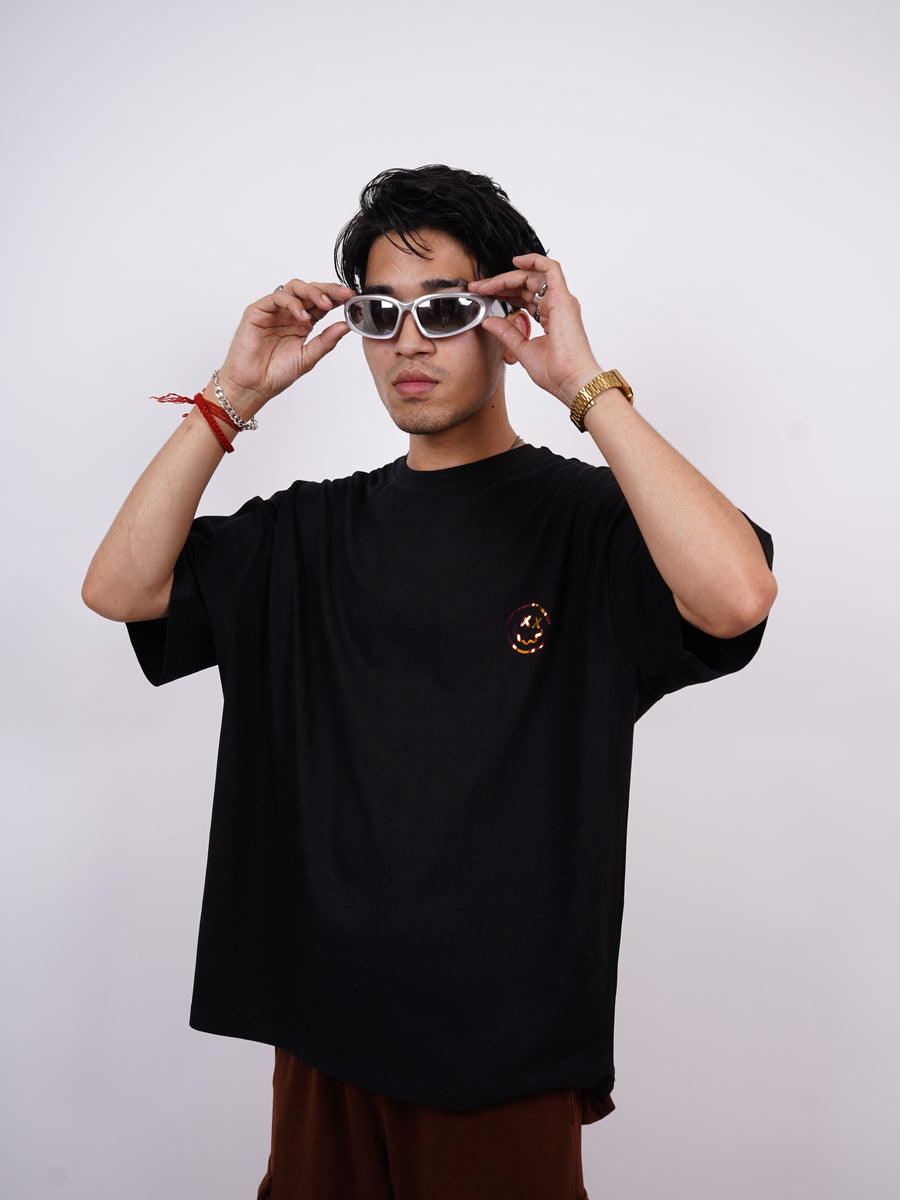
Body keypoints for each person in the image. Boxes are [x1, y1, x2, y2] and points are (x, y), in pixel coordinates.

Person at [82, 165, 777, 1200]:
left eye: (445, 309)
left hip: (502, 1050)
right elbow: (120, 588)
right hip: (320, 1029)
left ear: (505, 315)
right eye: (380, 314)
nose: (409, 342)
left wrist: (583, 383)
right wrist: (232, 396)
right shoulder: (311, 531)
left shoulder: (587, 525)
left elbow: (735, 595)